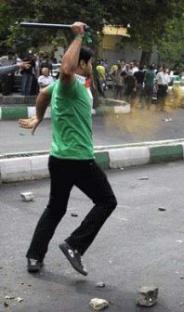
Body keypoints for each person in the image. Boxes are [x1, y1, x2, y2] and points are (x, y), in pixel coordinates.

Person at [18, 22, 117, 276]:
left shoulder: (74, 88)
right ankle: (74, 245)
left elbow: (42, 94)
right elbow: (64, 69)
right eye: (90, 63)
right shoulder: (70, 83)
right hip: (78, 160)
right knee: (107, 201)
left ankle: (34, 257)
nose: (92, 67)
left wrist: (39, 116)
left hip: (59, 159)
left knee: (56, 208)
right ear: (81, 65)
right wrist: (78, 36)